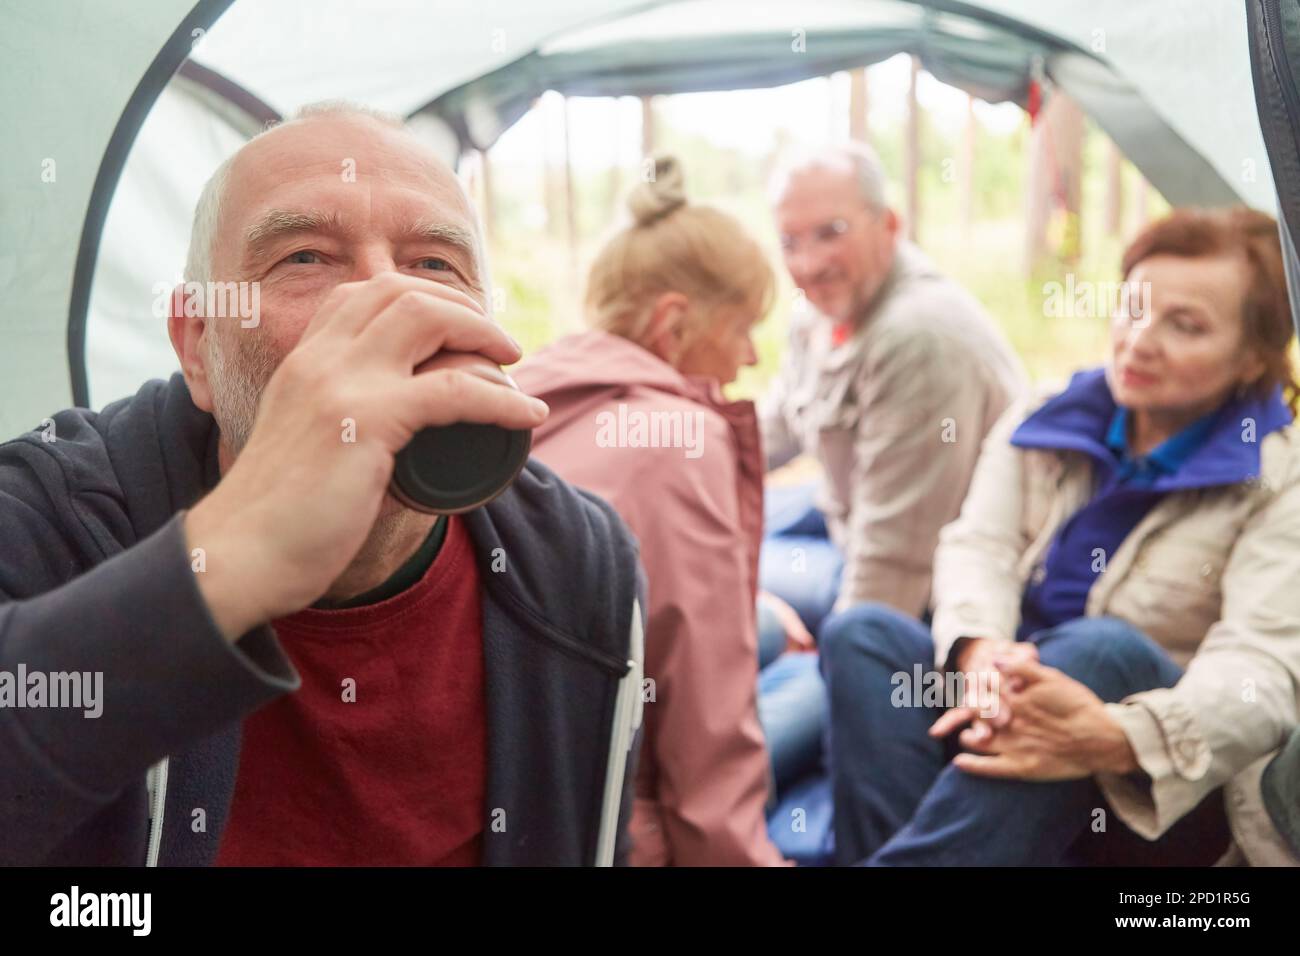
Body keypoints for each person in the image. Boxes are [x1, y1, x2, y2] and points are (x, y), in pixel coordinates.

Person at [0, 102, 644, 866]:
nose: (386, 302)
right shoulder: (46, 517)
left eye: (434, 264)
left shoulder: (575, 560)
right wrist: (232, 556)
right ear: (198, 346)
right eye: (304, 257)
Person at [822, 207, 1300, 866]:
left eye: (1184, 325)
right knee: (864, 635)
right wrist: (983, 653)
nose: (1138, 340)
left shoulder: (1281, 477)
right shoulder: (1045, 417)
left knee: (1098, 651)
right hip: (1009, 721)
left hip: (1154, 789)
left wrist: (1118, 734)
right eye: (1131, 308)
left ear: (1253, 358)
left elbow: (1264, 674)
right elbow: (977, 547)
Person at [514, 156, 818, 865]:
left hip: (532, 770)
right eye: (744, 329)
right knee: (813, 681)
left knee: (773, 631)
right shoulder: (681, 441)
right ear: (673, 322)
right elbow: (707, 737)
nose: (747, 359)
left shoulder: (538, 391)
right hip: (613, 820)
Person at [761, 143, 1026, 634]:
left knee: (740, 584)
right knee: (707, 537)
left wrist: (837, 657)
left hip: (927, 587)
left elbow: (897, 562)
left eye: (830, 233)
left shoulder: (916, 340)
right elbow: (772, 431)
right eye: (789, 242)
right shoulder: (822, 313)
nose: (809, 263)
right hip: (844, 515)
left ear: (888, 225)